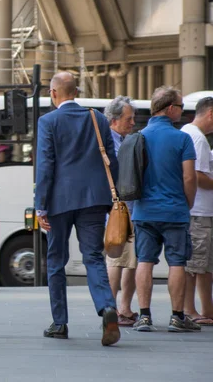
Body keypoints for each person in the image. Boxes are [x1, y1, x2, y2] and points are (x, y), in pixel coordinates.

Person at [35, 71, 120, 346]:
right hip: (94, 199)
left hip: (59, 201)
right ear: (76, 92)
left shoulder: (48, 121)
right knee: (93, 257)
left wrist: (41, 206)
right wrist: (112, 196)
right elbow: (112, 161)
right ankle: (107, 307)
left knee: (56, 261)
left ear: (54, 93)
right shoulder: (99, 119)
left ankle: (60, 323)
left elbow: (46, 165)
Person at [132, 86, 200, 333]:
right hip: (174, 210)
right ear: (170, 108)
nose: (182, 112)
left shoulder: (138, 136)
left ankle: (144, 316)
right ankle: (176, 316)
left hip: (144, 211)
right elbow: (189, 178)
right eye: (181, 107)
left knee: (144, 261)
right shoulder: (182, 138)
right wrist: (188, 202)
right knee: (177, 263)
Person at [103, 96, 138, 326]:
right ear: (114, 120)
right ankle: (114, 309)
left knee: (130, 259)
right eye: (129, 119)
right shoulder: (112, 143)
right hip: (120, 208)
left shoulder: (122, 139)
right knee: (117, 259)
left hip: (124, 208)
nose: (133, 123)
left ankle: (122, 307)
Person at [180, 97, 213, 326]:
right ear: (210, 114)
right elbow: (198, 176)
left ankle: (203, 310)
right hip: (198, 211)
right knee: (194, 265)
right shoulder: (198, 138)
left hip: (198, 210)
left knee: (203, 265)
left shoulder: (188, 132)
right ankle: (190, 310)